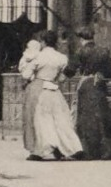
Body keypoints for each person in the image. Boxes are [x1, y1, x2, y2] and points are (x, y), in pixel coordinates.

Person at [27, 29, 83, 161]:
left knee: (42, 120)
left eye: (41, 41)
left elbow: (27, 75)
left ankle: (42, 150)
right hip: (54, 89)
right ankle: (74, 148)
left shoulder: (38, 57)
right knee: (61, 119)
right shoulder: (61, 57)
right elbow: (63, 78)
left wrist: (33, 77)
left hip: (41, 89)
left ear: (44, 42)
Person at [69, 28, 111, 161]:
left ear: (82, 39)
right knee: (102, 117)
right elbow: (110, 72)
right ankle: (107, 151)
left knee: (86, 118)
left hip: (86, 85)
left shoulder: (80, 51)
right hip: (99, 85)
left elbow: (70, 70)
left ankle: (88, 151)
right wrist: (100, 74)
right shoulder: (103, 51)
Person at [17, 33, 45, 156]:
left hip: (31, 88)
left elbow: (24, 74)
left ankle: (33, 146)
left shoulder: (24, 58)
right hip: (43, 87)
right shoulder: (40, 57)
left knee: (30, 118)